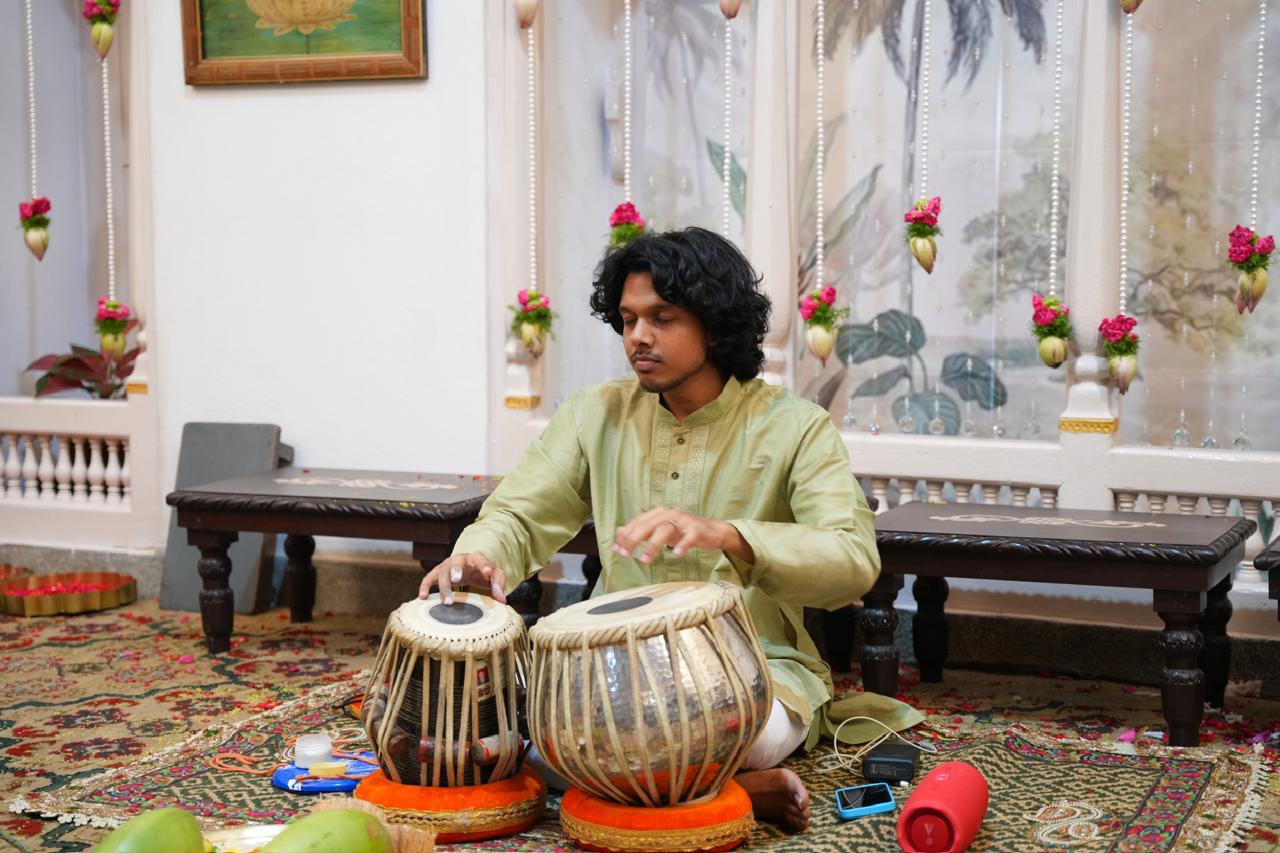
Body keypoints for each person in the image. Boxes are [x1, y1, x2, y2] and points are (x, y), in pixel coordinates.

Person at [419, 226, 921, 831]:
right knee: (544, 737)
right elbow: (519, 513)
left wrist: (729, 535)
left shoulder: (796, 427)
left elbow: (851, 561)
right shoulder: (593, 415)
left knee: (732, 733)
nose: (639, 337)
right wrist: (477, 556)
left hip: (752, 669)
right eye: (628, 319)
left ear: (715, 324)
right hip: (608, 671)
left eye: (662, 317)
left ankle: (676, 780)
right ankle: (730, 792)